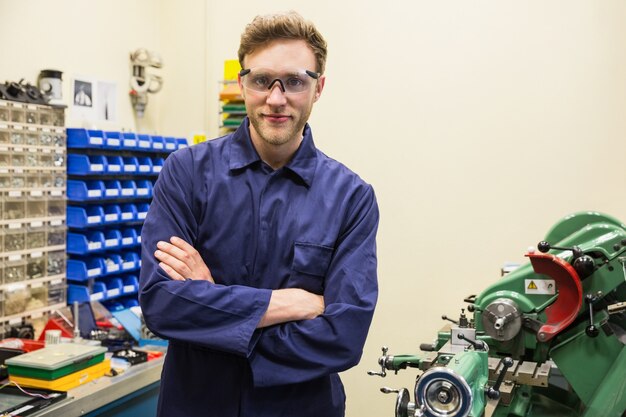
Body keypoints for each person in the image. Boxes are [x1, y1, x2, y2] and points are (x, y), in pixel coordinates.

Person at [139, 11, 379, 417]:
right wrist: (290, 303)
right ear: (242, 83)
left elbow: (343, 336)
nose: (276, 98)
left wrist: (216, 309)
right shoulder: (186, 172)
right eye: (262, 80)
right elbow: (162, 302)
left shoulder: (351, 198)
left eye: (296, 81)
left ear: (318, 88)